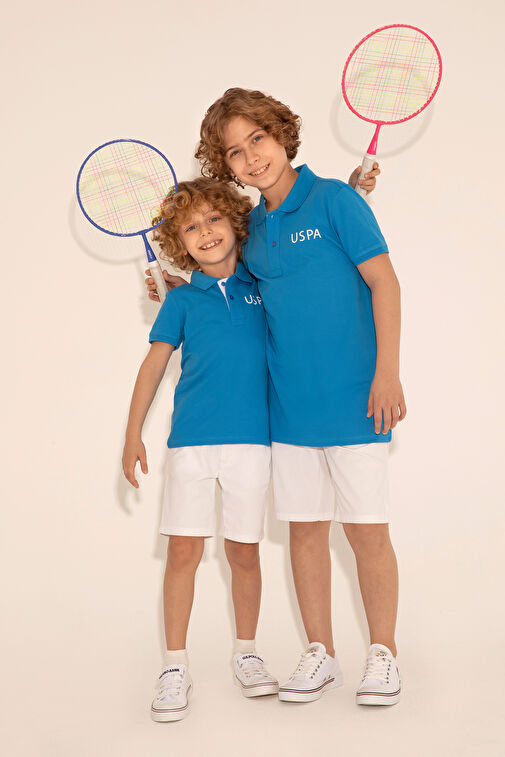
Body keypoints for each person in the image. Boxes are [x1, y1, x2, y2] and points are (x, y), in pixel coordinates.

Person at [146, 87, 405, 707]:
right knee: (305, 534)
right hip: (287, 415)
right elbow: (229, 280)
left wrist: (388, 374)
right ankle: (321, 652)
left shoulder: (336, 200)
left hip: (357, 403)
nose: (251, 157)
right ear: (226, 166)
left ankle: (384, 654)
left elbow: (385, 284)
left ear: (282, 135)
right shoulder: (253, 229)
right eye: (234, 152)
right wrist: (180, 288)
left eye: (257, 139)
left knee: (366, 533)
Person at [122, 178, 279, 722]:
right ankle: (174, 666)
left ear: (235, 222)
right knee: (183, 554)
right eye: (191, 227)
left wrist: (358, 189)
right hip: (191, 445)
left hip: (253, 444)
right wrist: (132, 433)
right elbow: (153, 366)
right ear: (178, 242)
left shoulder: (265, 282)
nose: (205, 232)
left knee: (244, 553)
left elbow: (299, 249)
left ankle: (247, 654)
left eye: (214, 219)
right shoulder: (182, 300)